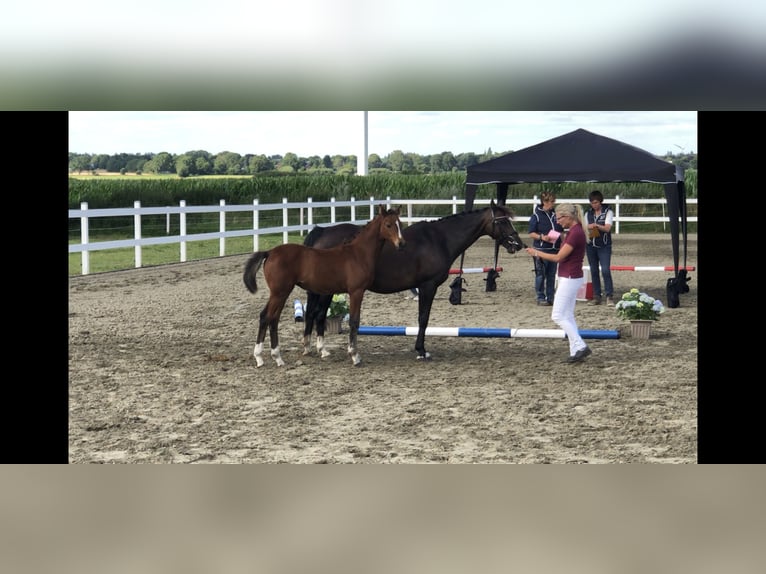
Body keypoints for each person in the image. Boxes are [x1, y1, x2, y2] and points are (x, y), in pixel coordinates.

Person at [524, 202, 592, 363]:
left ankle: (581, 346)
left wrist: (536, 253)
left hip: (569, 277)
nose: (558, 221)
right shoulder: (574, 231)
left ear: (568, 216)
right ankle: (575, 350)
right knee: (567, 315)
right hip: (570, 276)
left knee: (557, 315)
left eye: (559, 218)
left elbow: (558, 257)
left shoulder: (575, 233)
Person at [527, 191, 564, 306]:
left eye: (553, 201)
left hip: (555, 249)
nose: (553, 204)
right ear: (545, 202)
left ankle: (551, 296)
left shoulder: (555, 215)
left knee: (552, 275)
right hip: (542, 249)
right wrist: (542, 237)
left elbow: (560, 230)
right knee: (541, 274)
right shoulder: (536, 216)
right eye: (551, 202)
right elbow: (531, 233)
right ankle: (540, 296)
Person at [584, 190, 615, 306]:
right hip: (591, 245)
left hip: (604, 245)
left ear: (600, 202)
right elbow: (584, 226)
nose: (594, 205)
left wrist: (596, 226)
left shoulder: (608, 212)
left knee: (606, 270)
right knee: (594, 270)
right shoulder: (588, 214)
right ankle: (597, 296)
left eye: (596, 202)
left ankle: (609, 295)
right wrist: (589, 227)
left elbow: (607, 228)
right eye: (592, 203)